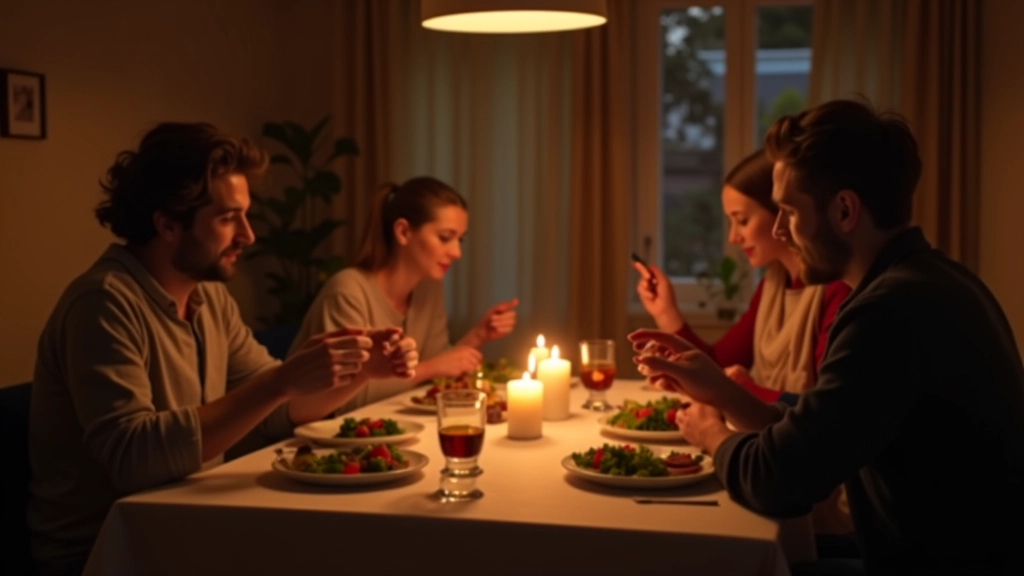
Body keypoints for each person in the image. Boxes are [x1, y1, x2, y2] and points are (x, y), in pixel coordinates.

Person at [631, 99, 1024, 575]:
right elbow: (815, 433)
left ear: (844, 210)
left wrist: (712, 434)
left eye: (789, 212)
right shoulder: (934, 279)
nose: (780, 230)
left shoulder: (886, 312)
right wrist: (719, 389)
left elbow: (778, 480)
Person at [28, 123, 419, 576]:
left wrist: (357, 371)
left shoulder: (208, 298)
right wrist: (281, 381)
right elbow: (133, 459)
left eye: (246, 215)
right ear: (167, 223)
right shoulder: (103, 303)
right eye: (228, 217)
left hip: (190, 524)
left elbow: (277, 412)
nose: (248, 235)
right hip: (107, 553)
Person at [634, 149, 851, 408]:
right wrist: (666, 312)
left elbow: (827, 410)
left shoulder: (837, 289)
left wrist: (741, 389)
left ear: (783, 210)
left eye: (743, 221)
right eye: (730, 223)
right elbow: (718, 364)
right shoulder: (773, 283)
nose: (733, 237)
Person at [289, 176, 518, 412]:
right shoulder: (348, 291)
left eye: (460, 239)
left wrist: (479, 334)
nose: (457, 252)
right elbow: (344, 401)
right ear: (403, 232)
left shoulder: (428, 289)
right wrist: (432, 368)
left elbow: (436, 375)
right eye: (445, 238)